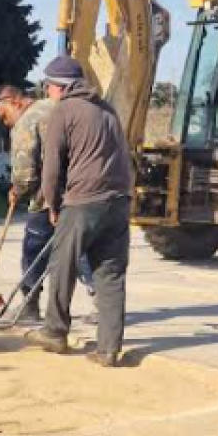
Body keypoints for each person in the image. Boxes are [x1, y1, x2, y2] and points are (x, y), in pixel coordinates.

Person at [25, 55, 132, 367]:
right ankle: (108, 349)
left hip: (84, 200)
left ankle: (55, 332)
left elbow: (52, 166)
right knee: (110, 273)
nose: (46, 91)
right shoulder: (108, 110)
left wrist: (52, 203)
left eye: (47, 86)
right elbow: (124, 157)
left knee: (62, 265)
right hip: (118, 201)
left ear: (60, 87)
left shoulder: (65, 110)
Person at [0, 85, 96, 322]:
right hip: (80, 190)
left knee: (33, 247)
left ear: (13, 101)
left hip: (48, 195)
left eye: (4, 115)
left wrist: (17, 190)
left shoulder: (27, 122)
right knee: (78, 247)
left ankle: (29, 307)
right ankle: (100, 300)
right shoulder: (55, 107)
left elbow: (26, 172)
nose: (5, 122)